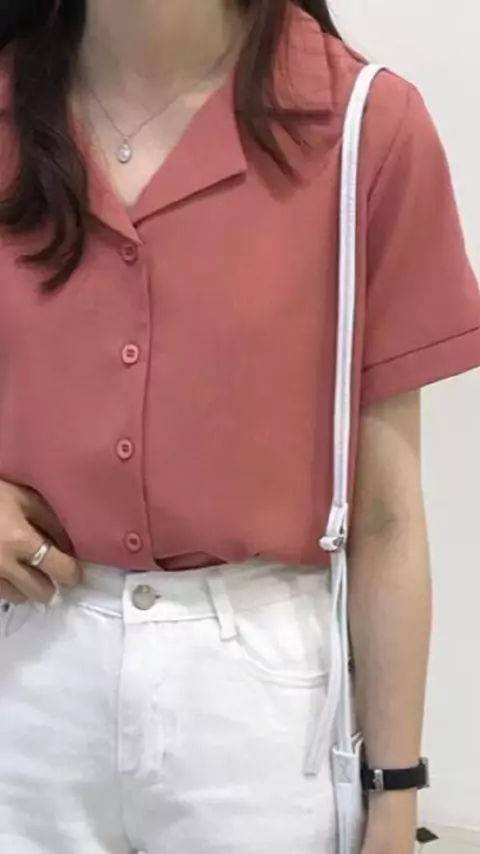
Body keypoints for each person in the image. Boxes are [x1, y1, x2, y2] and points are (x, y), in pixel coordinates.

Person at [0, 1, 479, 852]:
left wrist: (394, 800)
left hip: (260, 715)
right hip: (23, 667)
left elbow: (387, 515)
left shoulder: (363, 128)